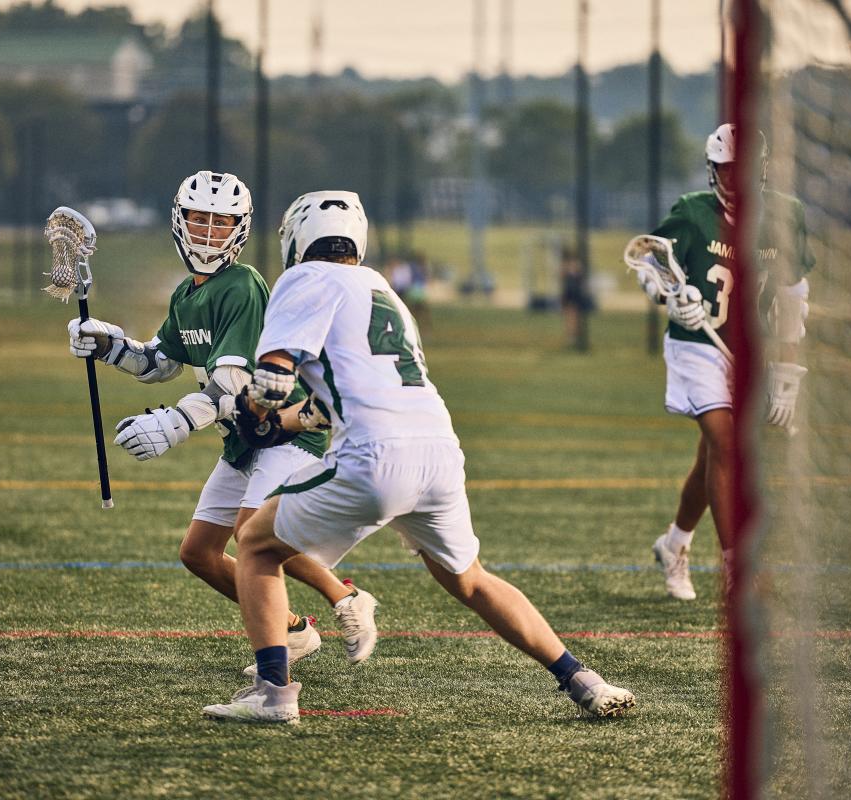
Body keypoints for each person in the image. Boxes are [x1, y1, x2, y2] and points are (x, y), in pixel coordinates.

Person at [202, 190, 636, 724]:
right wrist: (283, 419)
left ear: (296, 238)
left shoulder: (304, 278)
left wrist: (248, 409)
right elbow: (330, 398)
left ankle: (273, 694)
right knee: (472, 579)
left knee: (255, 543)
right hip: (438, 452)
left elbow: (273, 379)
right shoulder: (384, 289)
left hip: (374, 457)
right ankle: (582, 678)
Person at [67, 171, 378, 672]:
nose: (209, 232)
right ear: (179, 221)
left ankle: (346, 598)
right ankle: (292, 632)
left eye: (221, 222)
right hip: (241, 438)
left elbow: (234, 380)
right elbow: (160, 363)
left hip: (282, 430)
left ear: (240, 228)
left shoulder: (242, 286)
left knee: (251, 532)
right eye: (199, 219)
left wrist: (175, 423)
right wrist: (108, 346)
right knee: (199, 552)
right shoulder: (187, 294)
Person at [638, 124, 813, 600]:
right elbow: (648, 264)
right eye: (724, 169)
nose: (732, 179)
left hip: (747, 346)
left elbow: (793, 296)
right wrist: (671, 299)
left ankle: (674, 543)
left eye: (740, 169)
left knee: (714, 455)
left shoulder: (784, 214)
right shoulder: (692, 212)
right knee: (725, 441)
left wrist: (787, 370)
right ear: (712, 169)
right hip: (695, 344)